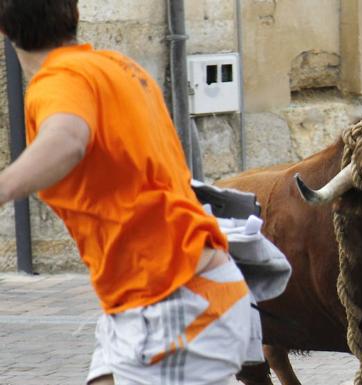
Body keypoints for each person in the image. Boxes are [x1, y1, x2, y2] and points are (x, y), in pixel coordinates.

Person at [0, 1, 253, 384]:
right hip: (157, 295)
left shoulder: (58, 81)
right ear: (75, 14)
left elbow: (67, 139)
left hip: (176, 299)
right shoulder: (118, 67)